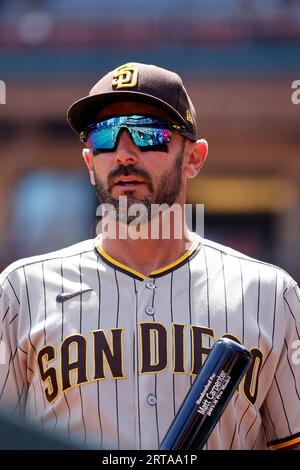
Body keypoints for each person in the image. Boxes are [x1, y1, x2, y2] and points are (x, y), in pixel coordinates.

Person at [0, 62, 299, 451]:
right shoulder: (20, 293)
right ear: (91, 163)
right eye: (105, 135)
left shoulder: (272, 295)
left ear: (193, 157)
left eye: (146, 132)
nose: (124, 153)